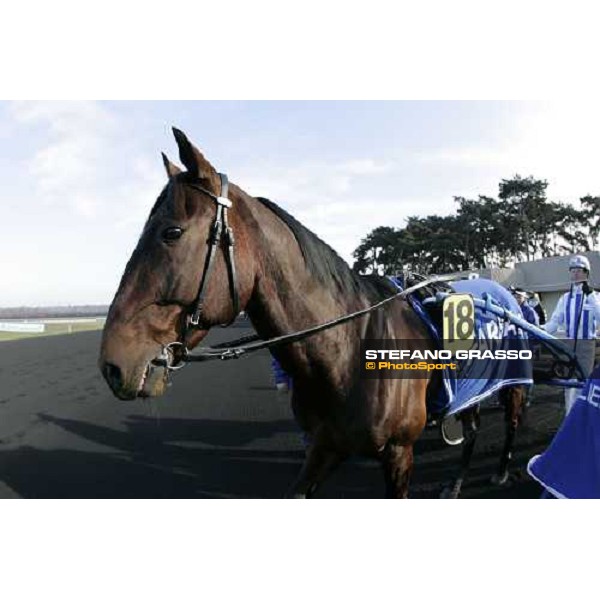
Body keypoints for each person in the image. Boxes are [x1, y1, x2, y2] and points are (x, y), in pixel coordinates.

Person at [544, 255, 600, 415]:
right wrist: (536, 329)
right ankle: (570, 417)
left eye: (579, 271)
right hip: (569, 345)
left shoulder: (595, 297)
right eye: (573, 270)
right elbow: (554, 323)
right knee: (569, 383)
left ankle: (583, 416)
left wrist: (590, 296)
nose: (575, 274)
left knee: (583, 383)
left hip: (586, 346)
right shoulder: (565, 298)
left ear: (586, 273)